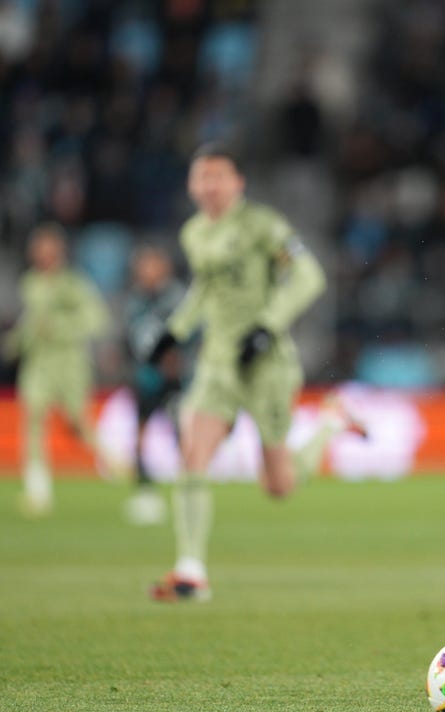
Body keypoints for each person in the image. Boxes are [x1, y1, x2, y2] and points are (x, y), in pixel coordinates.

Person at [146, 141, 331, 602]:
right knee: (192, 456)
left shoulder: (263, 227)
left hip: (267, 366)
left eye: (217, 176)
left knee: (278, 486)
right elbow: (205, 288)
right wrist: (176, 330)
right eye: (200, 177)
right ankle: (191, 571)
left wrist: (267, 326)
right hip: (217, 365)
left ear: (238, 182)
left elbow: (310, 277)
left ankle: (331, 424)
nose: (208, 186)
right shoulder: (194, 233)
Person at [0, 222, 112, 517]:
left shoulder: (73, 284)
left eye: (48, 249)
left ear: (59, 252)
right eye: (38, 249)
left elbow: (97, 319)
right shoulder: (31, 283)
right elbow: (31, 323)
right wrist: (14, 343)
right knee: (33, 418)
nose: (42, 255)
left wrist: (60, 328)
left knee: (79, 423)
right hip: (38, 363)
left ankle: (116, 466)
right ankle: (38, 490)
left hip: (70, 363)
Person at [122, 245, 188, 526]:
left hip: (174, 379)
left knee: (181, 433)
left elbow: (191, 333)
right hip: (146, 377)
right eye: (142, 267)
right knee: (139, 432)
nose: (146, 273)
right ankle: (143, 484)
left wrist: (177, 361)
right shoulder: (136, 300)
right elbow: (131, 337)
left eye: (151, 266)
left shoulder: (177, 298)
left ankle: (187, 485)